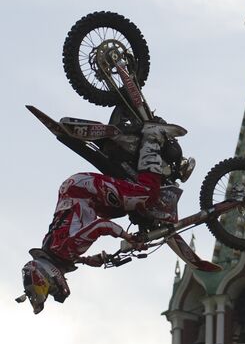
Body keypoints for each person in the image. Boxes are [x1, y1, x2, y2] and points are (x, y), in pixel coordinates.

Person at [16, 123, 165, 315]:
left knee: (147, 195)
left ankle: (152, 137)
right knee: (125, 209)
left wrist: (127, 238)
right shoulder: (57, 251)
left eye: (51, 288)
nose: (56, 288)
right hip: (80, 193)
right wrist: (89, 260)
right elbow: (76, 240)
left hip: (84, 191)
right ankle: (131, 153)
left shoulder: (66, 250)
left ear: (47, 277)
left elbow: (101, 226)